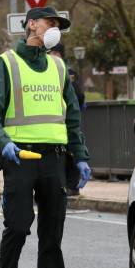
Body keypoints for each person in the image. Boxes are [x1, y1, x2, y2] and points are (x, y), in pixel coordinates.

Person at [0, 6, 91, 268]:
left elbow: (71, 115)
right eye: (50, 23)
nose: (55, 28)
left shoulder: (58, 67)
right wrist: (3, 144)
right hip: (20, 158)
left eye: (58, 25)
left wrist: (80, 155)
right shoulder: (7, 63)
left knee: (52, 237)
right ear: (31, 25)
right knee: (17, 226)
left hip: (54, 160)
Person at [48, 43, 85, 196]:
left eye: (50, 53)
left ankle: (71, 186)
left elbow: (78, 96)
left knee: (71, 152)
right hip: (59, 121)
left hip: (64, 119)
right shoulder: (65, 71)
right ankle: (66, 186)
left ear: (57, 54)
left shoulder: (66, 73)